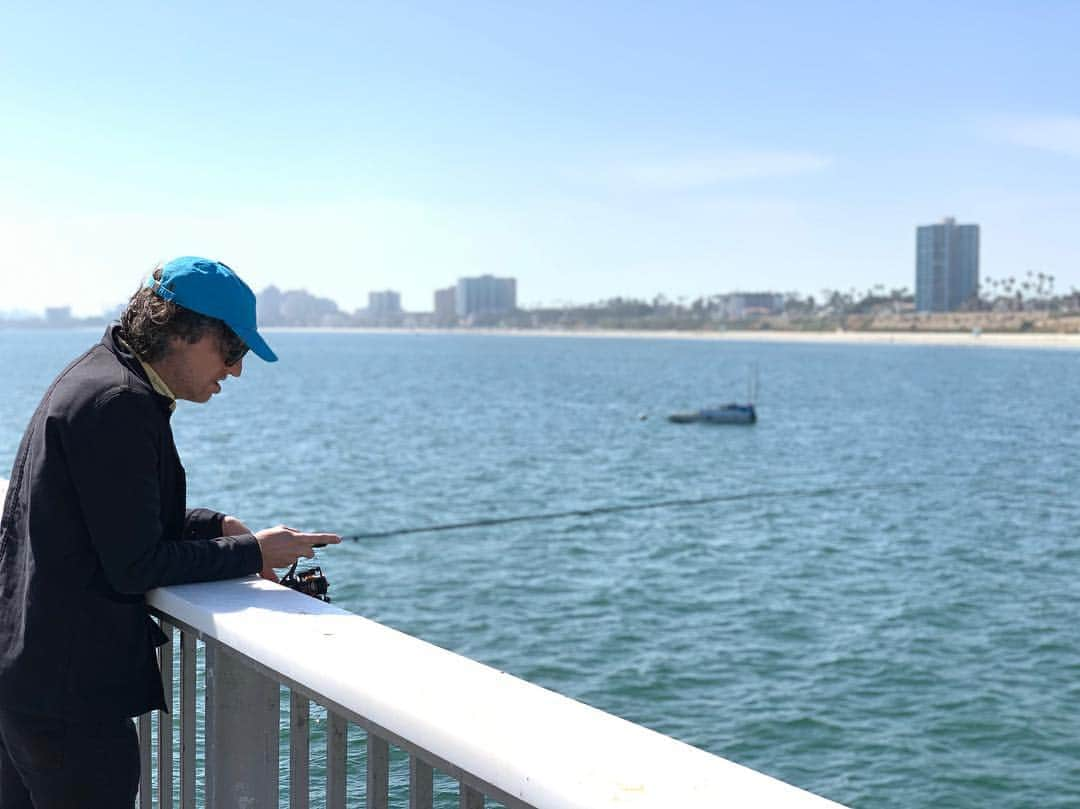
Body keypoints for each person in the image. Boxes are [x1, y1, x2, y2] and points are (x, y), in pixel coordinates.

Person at [0, 256, 340, 807]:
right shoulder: (120, 403)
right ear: (186, 332)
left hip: (31, 682)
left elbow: (104, 517)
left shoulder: (97, 378)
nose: (235, 370)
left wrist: (212, 527)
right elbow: (134, 564)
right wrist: (251, 550)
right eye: (233, 351)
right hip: (71, 702)